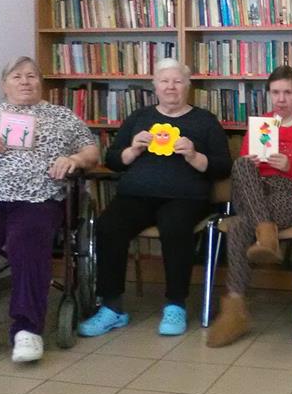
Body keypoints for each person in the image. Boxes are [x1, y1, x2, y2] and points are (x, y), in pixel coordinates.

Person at [0, 56, 99, 369]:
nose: (25, 82)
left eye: (31, 76)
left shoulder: (60, 116)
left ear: (41, 83)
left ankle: (27, 329)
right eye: (17, 77)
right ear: (4, 85)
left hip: (38, 198)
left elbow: (92, 151)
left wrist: (73, 160)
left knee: (28, 241)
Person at [78, 58, 231, 338]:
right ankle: (111, 307)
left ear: (187, 86)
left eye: (177, 81)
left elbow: (223, 167)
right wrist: (133, 150)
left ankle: (175, 305)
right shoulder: (140, 117)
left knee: (175, 226)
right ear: (155, 86)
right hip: (136, 195)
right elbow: (113, 160)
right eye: (164, 81)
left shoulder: (205, 120)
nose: (171, 87)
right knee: (109, 226)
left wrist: (194, 156)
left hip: (186, 197)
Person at [206, 66, 292, 347]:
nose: (281, 99)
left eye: (288, 92)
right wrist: (250, 161)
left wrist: (290, 166)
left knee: (238, 226)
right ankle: (266, 234)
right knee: (241, 165)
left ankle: (235, 309)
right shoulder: (261, 123)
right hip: (256, 193)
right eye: (276, 93)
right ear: (269, 95)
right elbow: (243, 171)